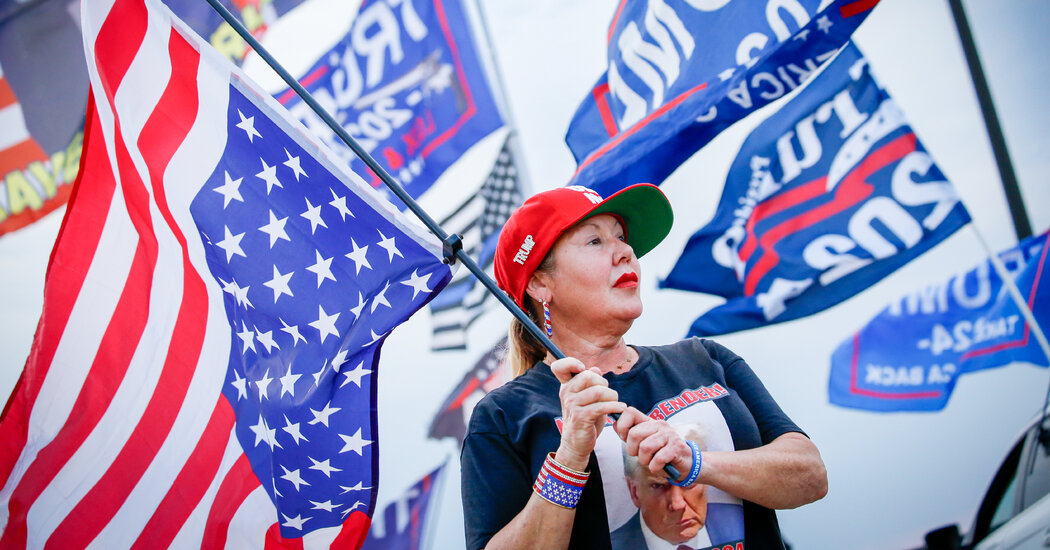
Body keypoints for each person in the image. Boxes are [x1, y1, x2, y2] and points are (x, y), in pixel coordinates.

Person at [460, 184, 827, 550]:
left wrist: (694, 462)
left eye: (621, 237)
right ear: (541, 283)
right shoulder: (503, 416)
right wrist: (570, 457)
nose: (625, 252)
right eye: (595, 242)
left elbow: (811, 476)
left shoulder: (705, 358)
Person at [613, 423, 744, 549]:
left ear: (706, 482)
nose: (677, 504)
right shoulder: (610, 542)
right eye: (659, 486)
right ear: (634, 491)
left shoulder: (740, 520)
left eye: (689, 483)